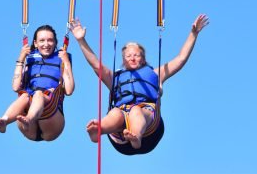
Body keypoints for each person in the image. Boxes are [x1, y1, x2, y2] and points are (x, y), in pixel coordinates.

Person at [69, 14, 209, 154]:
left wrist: (193, 33)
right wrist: (81, 40)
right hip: (120, 134)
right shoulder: (114, 77)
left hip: (149, 131)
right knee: (115, 112)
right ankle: (99, 129)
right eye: (128, 56)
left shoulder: (156, 73)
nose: (132, 58)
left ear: (143, 59)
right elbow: (95, 65)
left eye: (137, 55)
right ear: (123, 60)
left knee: (136, 111)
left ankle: (135, 136)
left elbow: (181, 59)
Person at [0, 25, 74, 141]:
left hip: (52, 119)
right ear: (35, 43)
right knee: (24, 96)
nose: (46, 44)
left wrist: (66, 62)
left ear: (56, 43)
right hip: (29, 124)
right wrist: (21, 59)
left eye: (50, 40)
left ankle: (29, 119)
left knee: (39, 94)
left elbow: (69, 90)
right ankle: (5, 121)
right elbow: (16, 87)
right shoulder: (29, 57)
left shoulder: (62, 58)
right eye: (42, 40)